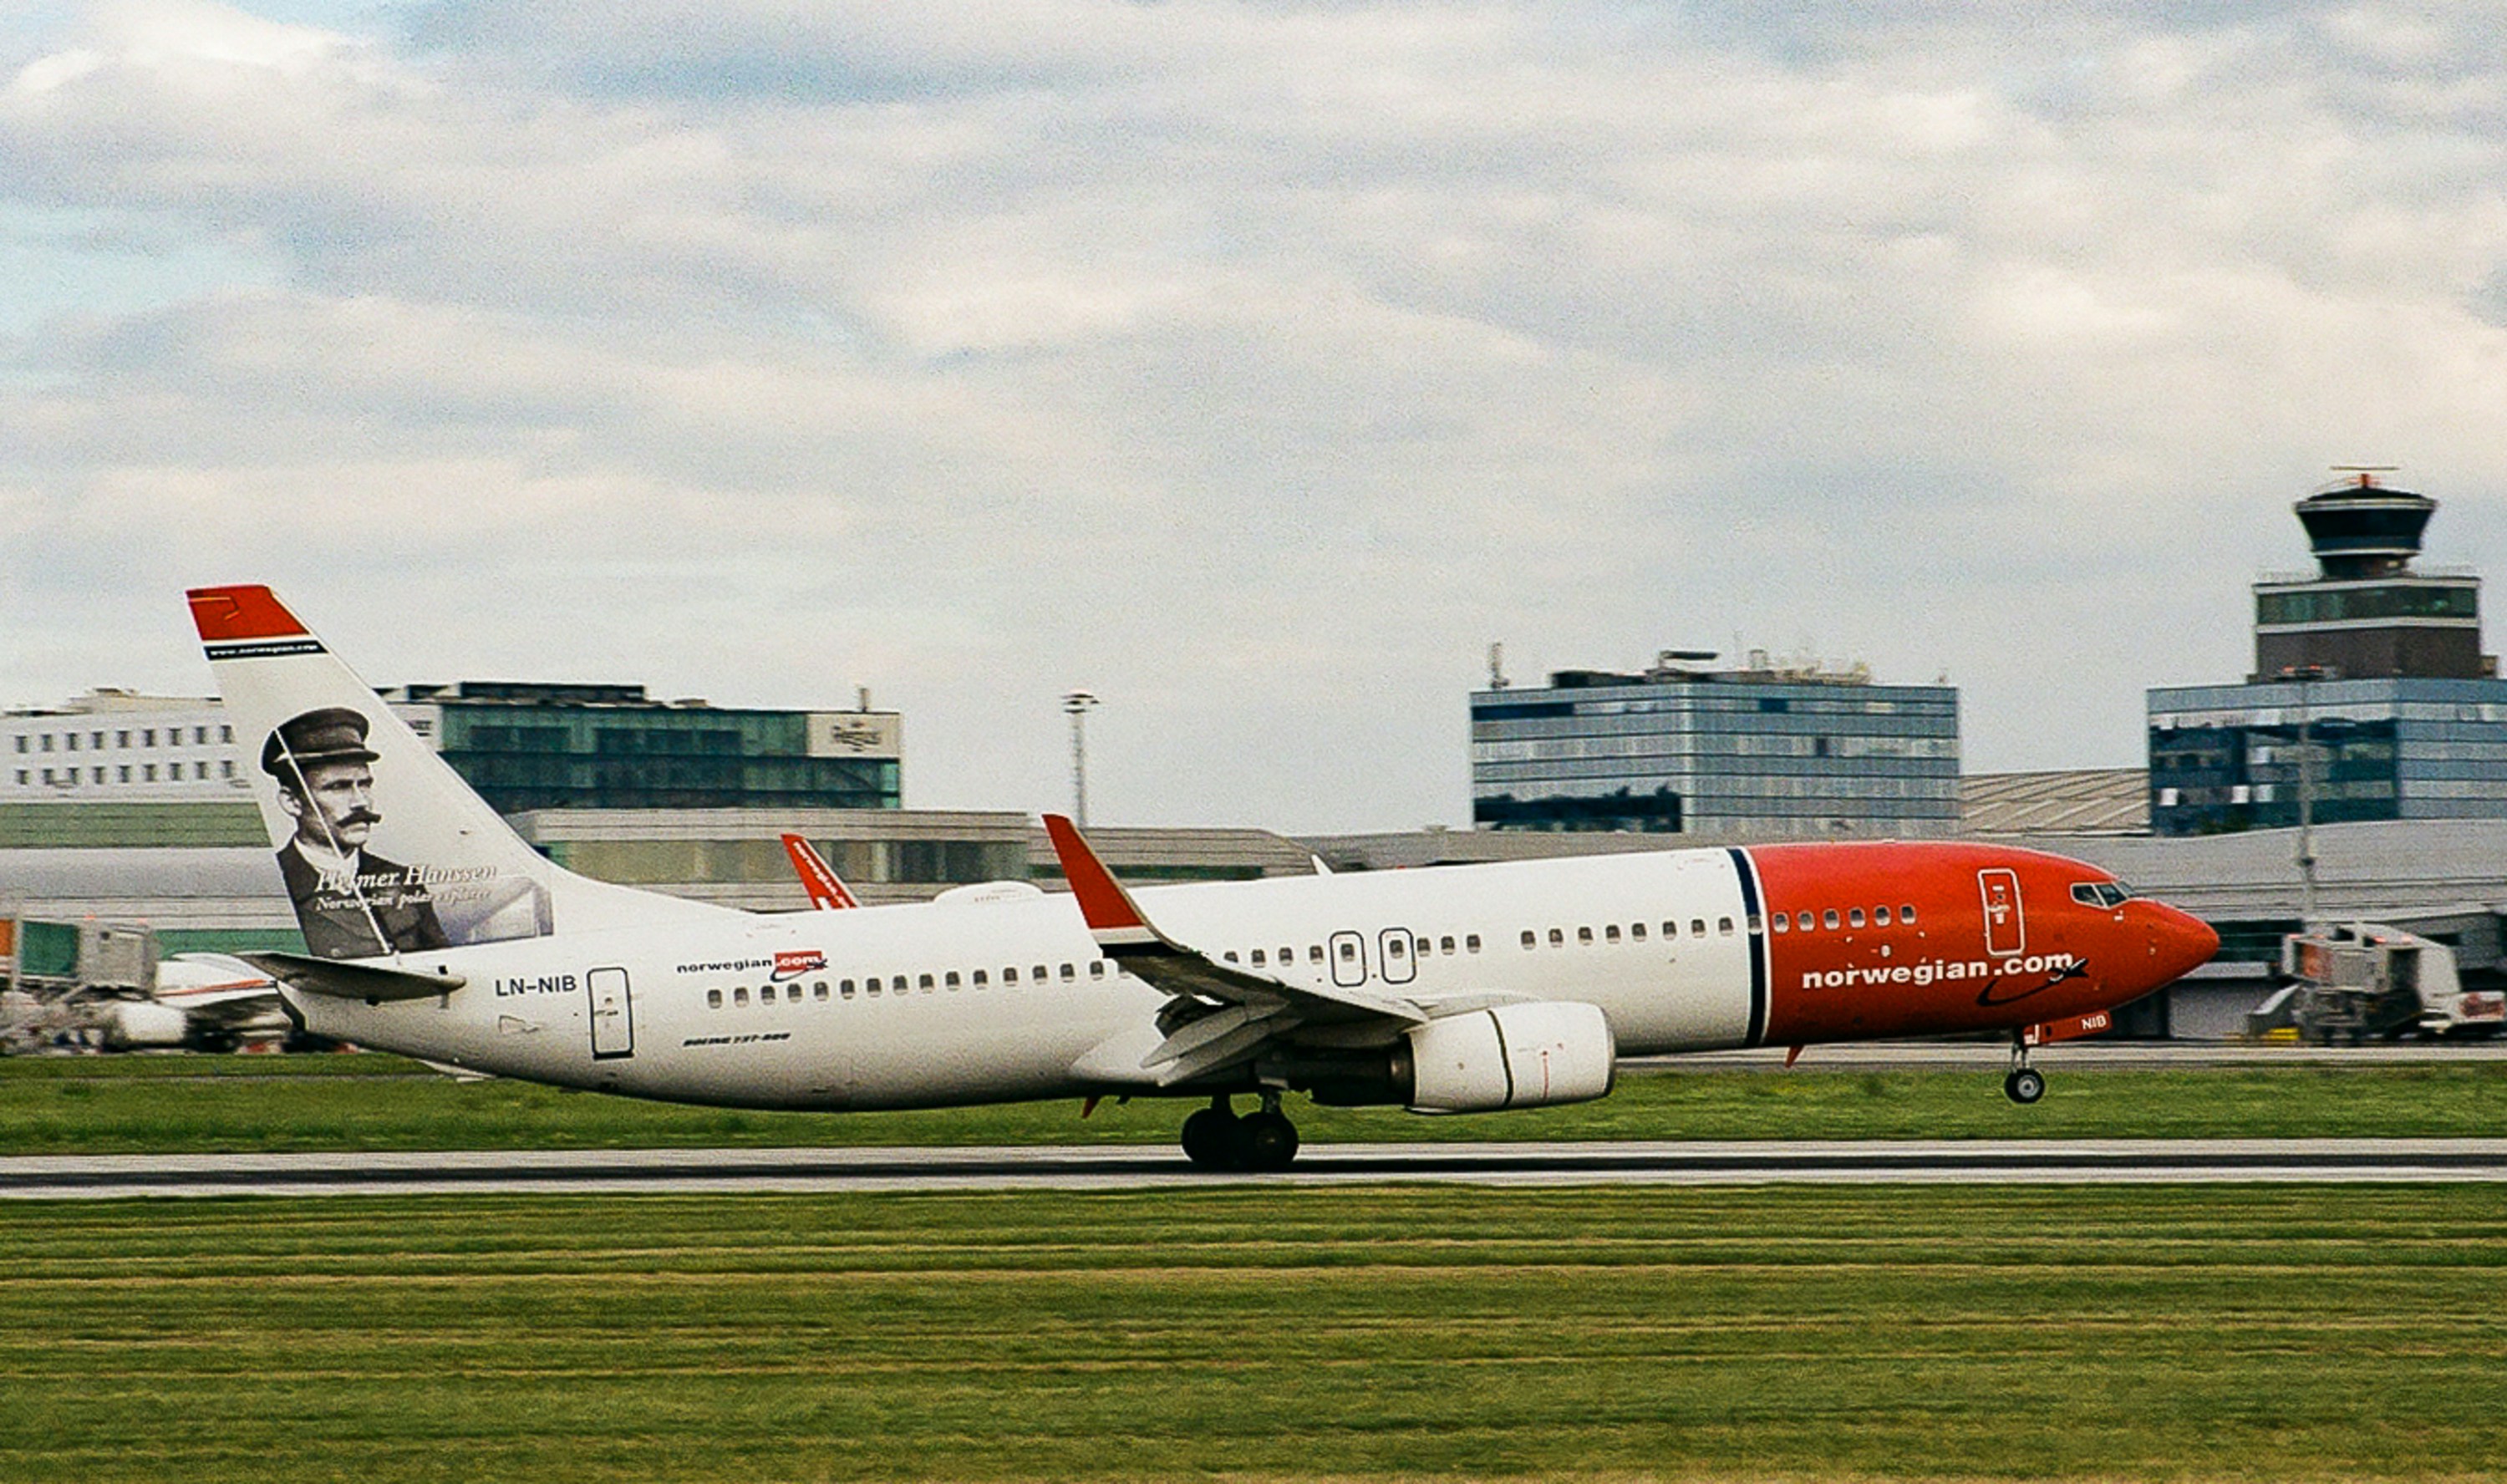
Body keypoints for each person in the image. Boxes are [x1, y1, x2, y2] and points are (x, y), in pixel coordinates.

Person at [262, 707, 449, 959]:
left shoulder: (402, 878)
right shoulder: (279, 881)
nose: (360, 802)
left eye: (365, 784)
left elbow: (442, 959)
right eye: (339, 787)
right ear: (292, 802)